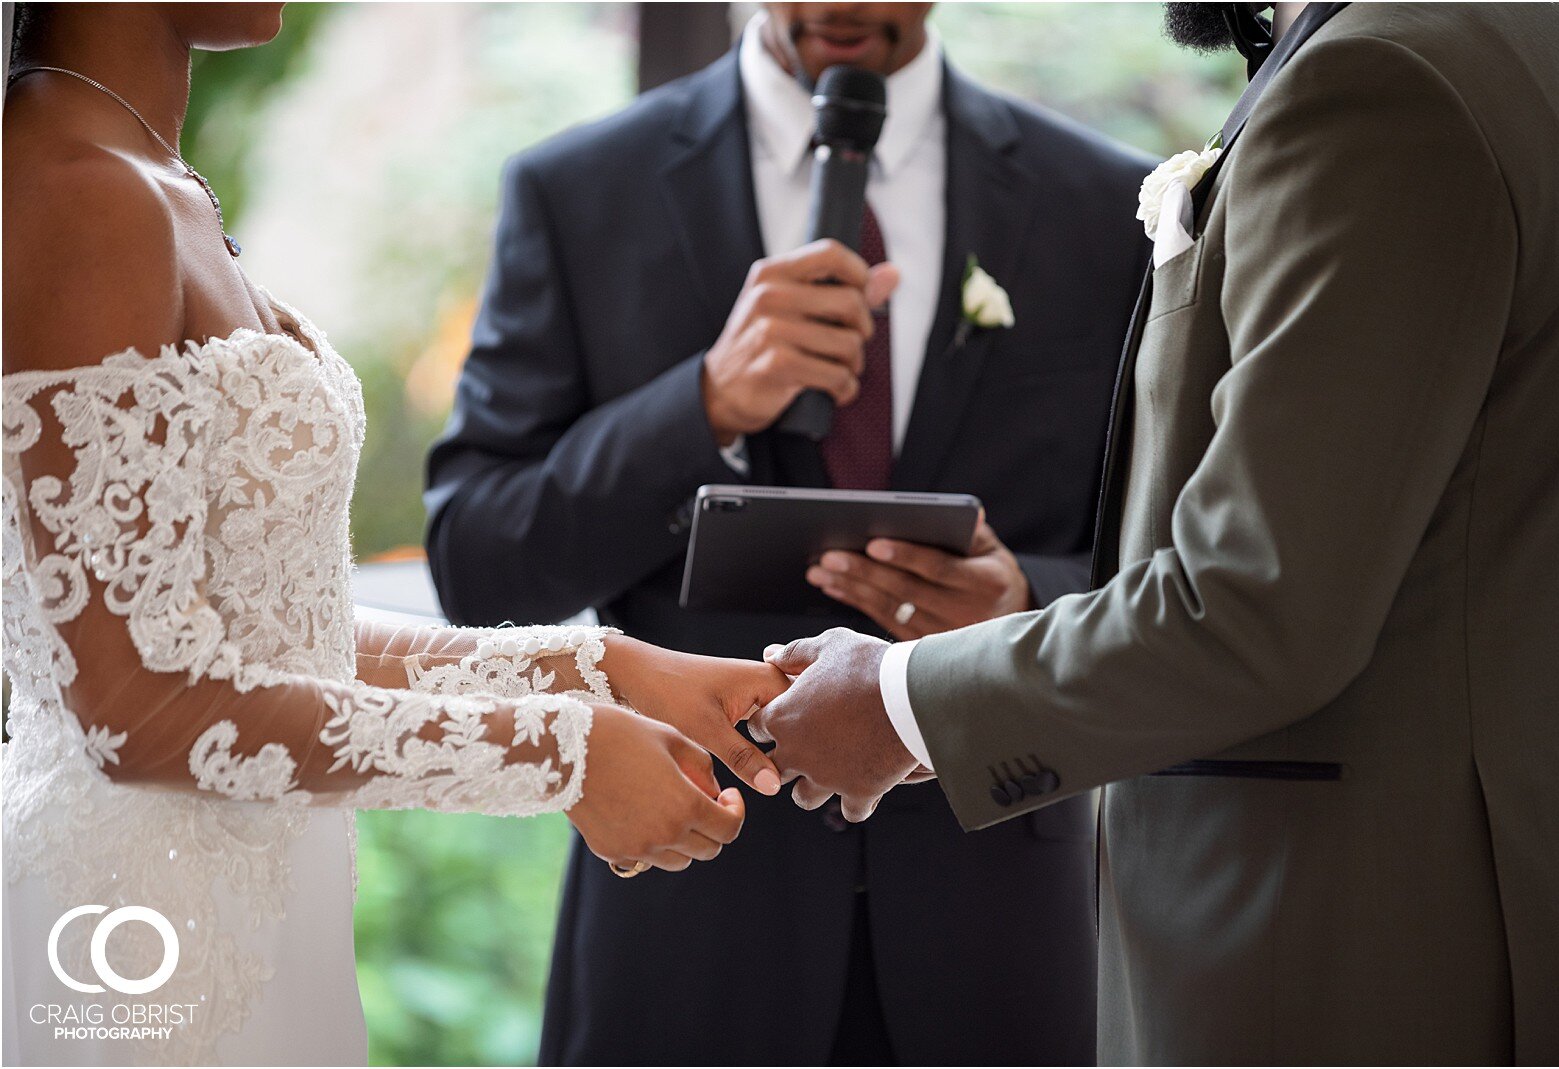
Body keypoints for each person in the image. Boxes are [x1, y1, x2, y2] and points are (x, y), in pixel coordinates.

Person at [752, 2, 1559, 1064]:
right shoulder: (1527, 34)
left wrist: (901, 703)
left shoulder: (1376, 86)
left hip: (1339, 950)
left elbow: (1253, 606)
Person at [1, 4, 793, 1064]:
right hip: (135, 944)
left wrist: (597, 669)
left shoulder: (151, 177)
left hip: (259, 907)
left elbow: (268, 625)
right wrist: (557, 753)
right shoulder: (75, 187)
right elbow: (134, 704)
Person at [424, 3, 1152, 1063]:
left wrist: (1025, 603)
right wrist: (703, 404)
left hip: (999, 929)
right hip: (687, 911)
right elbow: (477, 561)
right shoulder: (578, 190)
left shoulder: (1099, 204)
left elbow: (1172, 565)